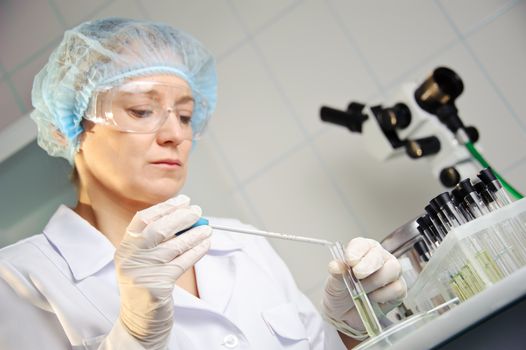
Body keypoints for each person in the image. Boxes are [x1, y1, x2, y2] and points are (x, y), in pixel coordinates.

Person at [0, 18, 406, 349]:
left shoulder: (243, 245)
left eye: (185, 115)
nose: (174, 133)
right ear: (68, 128)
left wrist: (352, 329)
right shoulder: (19, 279)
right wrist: (133, 339)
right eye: (142, 110)